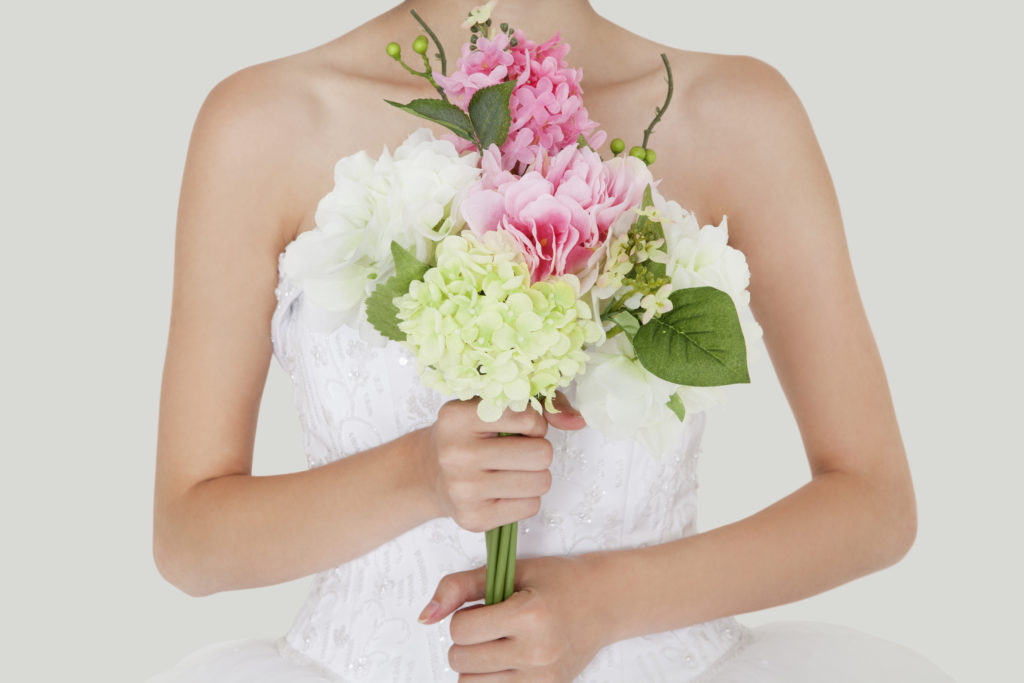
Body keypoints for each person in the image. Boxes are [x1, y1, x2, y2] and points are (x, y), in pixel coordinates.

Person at [150, 1, 955, 680]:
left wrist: (606, 602)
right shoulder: (264, 121)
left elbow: (874, 502)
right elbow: (191, 540)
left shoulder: (734, 111)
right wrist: (418, 475)